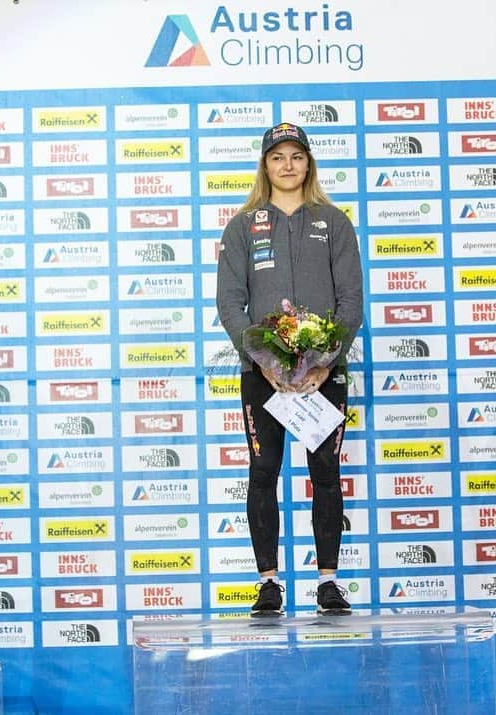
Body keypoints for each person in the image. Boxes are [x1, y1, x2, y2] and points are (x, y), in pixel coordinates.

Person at [216, 123, 363, 616]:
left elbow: (351, 302)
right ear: (265, 165)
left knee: (325, 471)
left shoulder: (334, 222)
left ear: (308, 164)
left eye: (296, 156)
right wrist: (266, 360)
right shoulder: (241, 226)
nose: (287, 166)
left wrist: (325, 360)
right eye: (277, 157)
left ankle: (329, 582)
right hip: (264, 378)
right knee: (263, 472)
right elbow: (230, 304)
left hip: (326, 375)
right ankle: (268, 582)